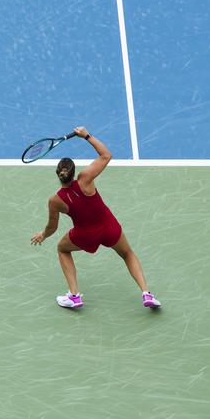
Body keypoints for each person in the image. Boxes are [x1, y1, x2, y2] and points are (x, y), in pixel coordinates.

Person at [30, 127, 161, 309]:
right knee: (127, 253)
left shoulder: (55, 201)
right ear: (73, 172)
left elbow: (52, 227)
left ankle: (74, 296)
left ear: (58, 174)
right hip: (109, 227)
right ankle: (146, 293)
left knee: (62, 249)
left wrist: (43, 235)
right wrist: (87, 136)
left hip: (85, 235)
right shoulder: (85, 179)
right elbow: (106, 155)